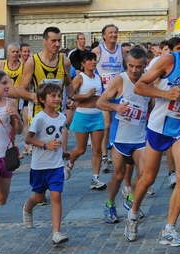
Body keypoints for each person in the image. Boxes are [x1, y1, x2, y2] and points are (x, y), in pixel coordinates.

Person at [126, 26, 180, 246]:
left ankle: (169, 229)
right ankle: (133, 214)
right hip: (159, 126)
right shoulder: (168, 61)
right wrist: (165, 94)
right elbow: (139, 86)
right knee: (148, 178)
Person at [96, 47, 149, 224]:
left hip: (141, 137)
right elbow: (100, 101)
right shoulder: (120, 80)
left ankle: (131, 199)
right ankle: (110, 204)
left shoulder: (149, 80)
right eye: (131, 66)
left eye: (138, 67)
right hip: (120, 138)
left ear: (145, 65)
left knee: (145, 175)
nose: (134, 70)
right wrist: (116, 107)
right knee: (118, 175)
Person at [23, 83, 71, 245]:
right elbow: (28, 139)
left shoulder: (62, 117)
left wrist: (62, 152)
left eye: (59, 95)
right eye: (53, 96)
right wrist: (45, 145)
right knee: (38, 197)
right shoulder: (39, 118)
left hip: (56, 165)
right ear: (43, 99)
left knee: (56, 195)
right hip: (39, 166)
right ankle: (27, 208)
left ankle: (56, 232)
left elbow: (57, 138)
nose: (57, 98)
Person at [63, 51, 106, 189]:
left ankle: (95, 178)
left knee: (97, 148)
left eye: (94, 59)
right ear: (83, 63)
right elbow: (71, 95)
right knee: (81, 149)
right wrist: (86, 95)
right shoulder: (80, 78)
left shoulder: (98, 78)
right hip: (82, 115)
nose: (93, 62)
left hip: (97, 115)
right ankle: (69, 163)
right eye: (89, 60)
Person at [0, 69, 24, 254]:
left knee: (1, 200)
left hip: (7, 157)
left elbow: (20, 130)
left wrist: (16, 117)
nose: (8, 86)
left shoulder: (10, 103)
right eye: (5, 83)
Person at [92, 24, 126, 173]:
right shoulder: (97, 50)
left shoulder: (121, 50)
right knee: (106, 125)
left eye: (116, 32)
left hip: (118, 94)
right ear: (104, 36)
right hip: (103, 95)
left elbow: (127, 68)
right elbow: (87, 67)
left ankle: (118, 152)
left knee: (118, 124)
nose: (114, 34)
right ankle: (105, 156)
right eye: (110, 32)